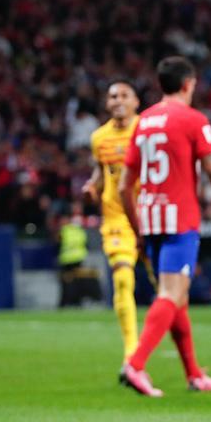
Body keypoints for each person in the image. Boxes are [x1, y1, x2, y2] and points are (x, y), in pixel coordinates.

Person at [118, 56, 211, 396]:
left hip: (151, 219)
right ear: (189, 84)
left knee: (178, 299)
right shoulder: (194, 120)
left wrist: (137, 229)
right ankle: (135, 365)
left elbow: (123, 187)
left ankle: (193, 374)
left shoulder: (142, 121)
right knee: (170, 295)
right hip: (180, 219)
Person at [82, 80, 142, 361]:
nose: (117, 100)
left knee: (168, 288)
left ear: (135, 102)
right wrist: (92, 186)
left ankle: (185, 357)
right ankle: (131, 350)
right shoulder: (99, 138)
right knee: (122, 279)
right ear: (107, 104)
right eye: (112, 96)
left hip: (149, 214)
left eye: (123, 95)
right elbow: (100, 171)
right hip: (117, 217)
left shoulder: (146, 130)